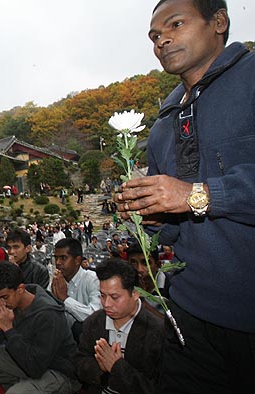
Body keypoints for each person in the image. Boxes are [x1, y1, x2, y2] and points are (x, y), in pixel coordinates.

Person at [117, 1, 255, 392]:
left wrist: (196, 195)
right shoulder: (162, 126)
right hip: (189, 312)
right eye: (154, 36)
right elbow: (175, 232)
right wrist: (154, 217)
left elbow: (193, 197)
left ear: (219, 22)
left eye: (175, 24)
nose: (163, 40)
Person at [0, 262, 80, 394]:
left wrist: (8, 329)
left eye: (4, 297)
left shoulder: (48, 314)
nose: (0, 302)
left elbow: (36, 368)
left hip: (58, 370)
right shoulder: (9, 302)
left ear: (20, 289)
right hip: (26, 359)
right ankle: (21, 385)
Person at [74, 259, 163, 394]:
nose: (106, 304)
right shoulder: (93, 322)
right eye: (102, 295)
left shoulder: (156, 331)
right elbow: (79, 362)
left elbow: (156, 387)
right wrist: (101, 369)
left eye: (114, 297)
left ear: (135, 294)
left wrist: (116, 367)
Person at [51, 238, 102, 341]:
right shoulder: (57, 280)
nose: (58, 262)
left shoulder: (93, 280)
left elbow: (95, 316)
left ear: (77, 260)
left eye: (63, 258)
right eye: (56, 258)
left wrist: (65, 299)